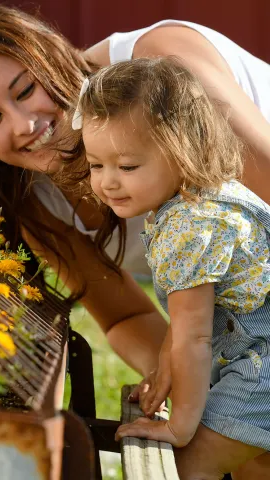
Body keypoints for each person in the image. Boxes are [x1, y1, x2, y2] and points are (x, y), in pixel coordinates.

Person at [0, 5, 270, 476]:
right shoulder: (30, 194)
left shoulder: (161, 71)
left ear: (53, 56)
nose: (23, 123)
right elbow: (126, 313)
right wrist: (184, 385)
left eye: (25, 89)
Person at [71, 57, 270, 479]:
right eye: (95, 165)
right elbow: (183, 328)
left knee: (187, 465)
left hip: (262, 371)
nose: (108, 182)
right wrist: (165, 373)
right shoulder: (202, 197)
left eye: (126, 166)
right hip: (251, 359)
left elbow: (194, 337)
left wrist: (180, 426)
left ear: (182, 151)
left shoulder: (191, 225)